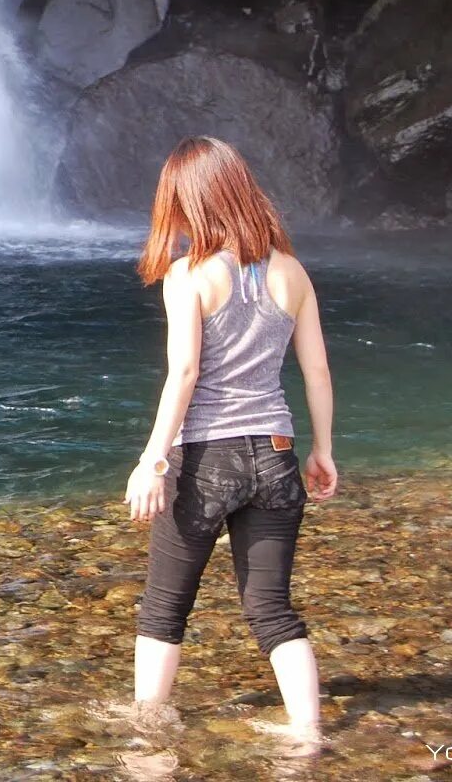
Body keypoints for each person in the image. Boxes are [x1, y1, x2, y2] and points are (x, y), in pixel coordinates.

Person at [123, 136, 339, 747]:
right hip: (275, 454)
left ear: (187, 201)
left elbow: (185, 373)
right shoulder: (292, 271)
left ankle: (147, 737)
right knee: (271, 609)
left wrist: (152, 461)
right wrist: (322, 450)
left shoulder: (187, 275)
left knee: (164, 607)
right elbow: (317, 370)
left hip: (205, 459)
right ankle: (308, 734)